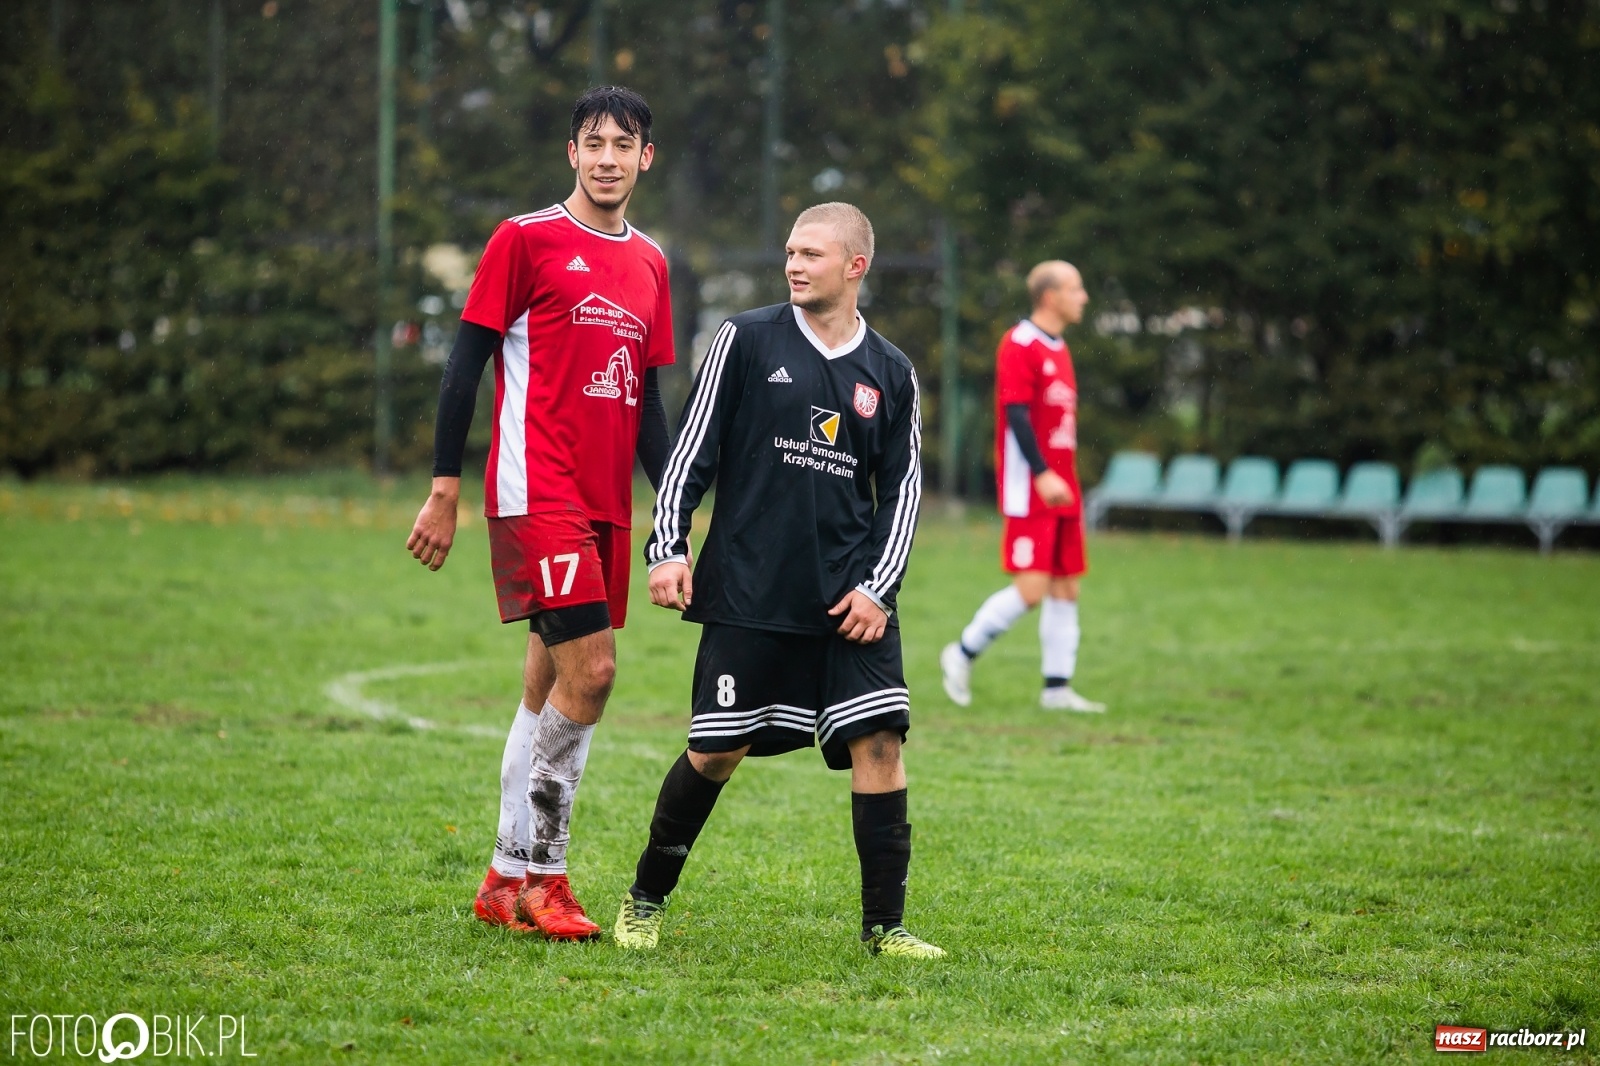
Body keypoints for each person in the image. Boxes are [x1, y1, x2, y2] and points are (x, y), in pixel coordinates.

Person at [610, 203, 943, 958]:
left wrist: (878, 589)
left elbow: (902, 492)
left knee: (881, 744)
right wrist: (667, 548)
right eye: (790, 252)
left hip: (849, 598)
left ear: (855, 266)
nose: (794, 265)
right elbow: (690, 453)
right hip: (750, 590)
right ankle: (645, 900)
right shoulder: (746, 338)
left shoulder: (891, 372)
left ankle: (885, 929)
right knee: (716, 751)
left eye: (811, 254)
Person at [405, 86, 674, 941]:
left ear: (645, 158)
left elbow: (649, 402)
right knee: (593, 674)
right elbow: (465, 364)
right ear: (571, 153)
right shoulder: (524, 239)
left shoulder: (652, 262)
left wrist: (671, 509)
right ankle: (546, 879)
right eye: (593, 143)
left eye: (622, 145)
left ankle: (502, 878)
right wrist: (445, 486)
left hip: (606, 503)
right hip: (537, 491)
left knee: (547, 686)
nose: (607, 159)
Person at [940, 261, 1106, 713]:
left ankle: (1057, 689)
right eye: (1075, 289)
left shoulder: (1060, 347)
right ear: (1050, 297)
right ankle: (961, 653)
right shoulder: (1020, 343)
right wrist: (1041, 472)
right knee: (1032, 589)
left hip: (1063, 484)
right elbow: (1015, 414)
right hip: (1033, 485)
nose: (1084, 297)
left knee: (1066, 588)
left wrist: (1061, 475)